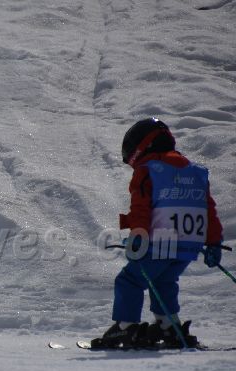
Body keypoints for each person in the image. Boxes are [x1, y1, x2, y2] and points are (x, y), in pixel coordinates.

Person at [92, 118, 224, 348]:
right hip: (189, 246)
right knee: (164, 281)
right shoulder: (196, 172)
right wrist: (214, 242)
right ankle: (169, 325)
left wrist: (138, 235)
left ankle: (126, 327)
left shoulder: (148, 170)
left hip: (160, 242)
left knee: (130, 280)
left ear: (141, 146)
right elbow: (209, 210)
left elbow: (141, 207)